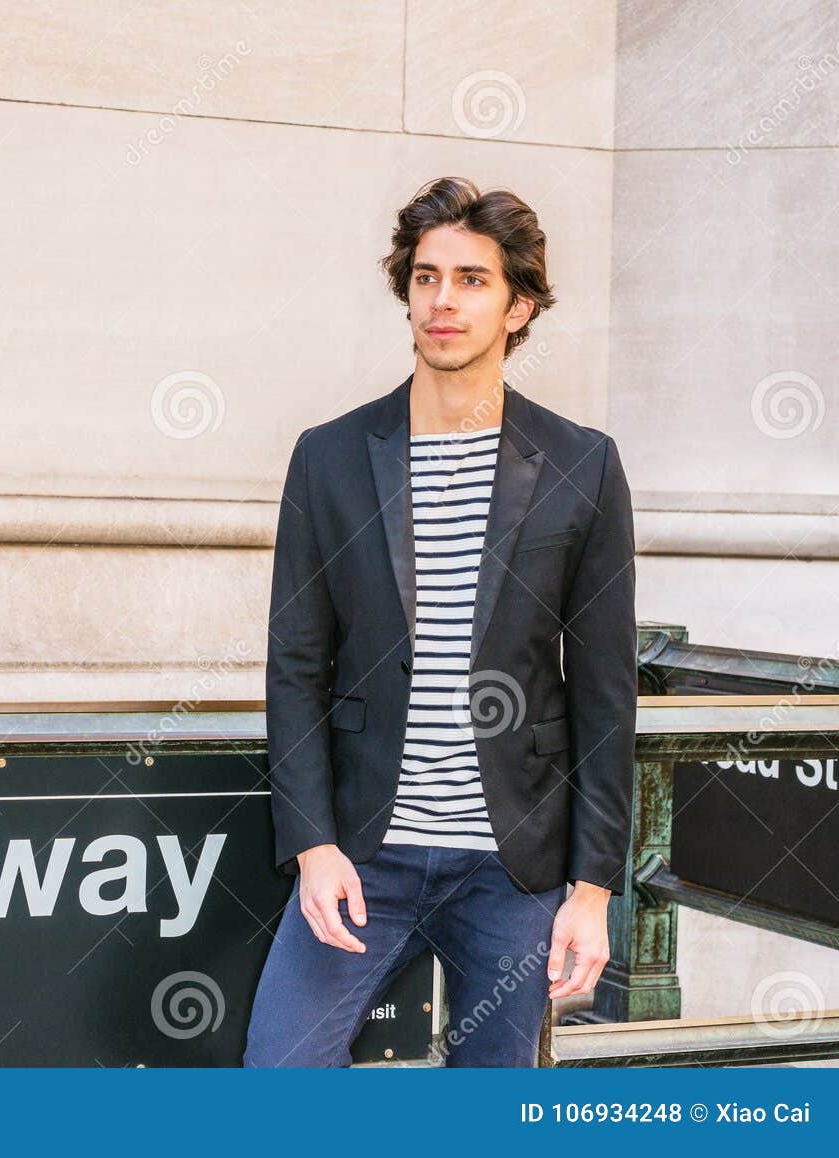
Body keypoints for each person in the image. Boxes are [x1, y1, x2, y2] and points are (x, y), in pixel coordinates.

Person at [243, 176, 637, 1068]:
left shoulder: (583, 466)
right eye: (426, 278)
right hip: (362, 856)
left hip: (514, 867)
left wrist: (593, 889)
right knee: (279, 1072)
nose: (442, 301)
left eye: (471, 280)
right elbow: (296, 664)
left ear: (519, 305)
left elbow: (607, 696)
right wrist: (312, 844)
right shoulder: (333, 456)